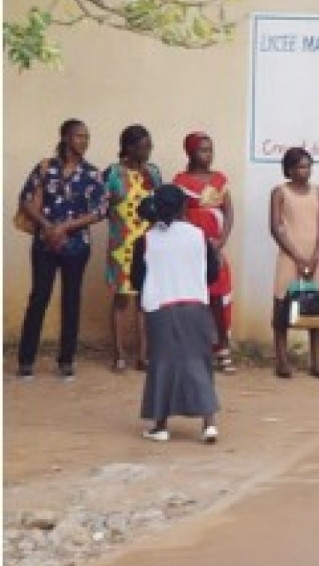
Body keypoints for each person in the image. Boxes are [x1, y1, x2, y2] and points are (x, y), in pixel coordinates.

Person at [15, 119, 108, 380]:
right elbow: (26, 200)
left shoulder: (92, 173)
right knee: (39, 297)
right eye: (79, 136)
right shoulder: (46, 167)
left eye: (86, 137)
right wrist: (47, 227)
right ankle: (26, 360)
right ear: (66, 138)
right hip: (44, 244)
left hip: (77, 246)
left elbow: (100, 211)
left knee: (71, 300)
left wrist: (65, 227)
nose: (84, 141)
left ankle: (66, 360)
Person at [132, 185, 222, 444]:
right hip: (195, 306)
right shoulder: (199, 236)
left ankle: (160, 426)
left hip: (161, 308)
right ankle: (209, 424)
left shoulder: (146, 240)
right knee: (199, 362)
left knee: (162, 364)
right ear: (183, 207)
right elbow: (212, 273)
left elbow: (137, 278)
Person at [174, 132, 236, 373]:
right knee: (193, 300)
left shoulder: (219, 180)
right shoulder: (180, 181)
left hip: (214, 247)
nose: (208, 155)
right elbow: (179, 215)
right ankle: (196, 349)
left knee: (218, 298)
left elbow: (228, 213)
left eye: (210, 150)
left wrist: (221, 241)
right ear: (190, 152)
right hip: (190, 248)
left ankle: (223, 348)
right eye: (202, 150)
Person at [104, 125, 163, 373]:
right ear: (128, 148)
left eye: (150, 146)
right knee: (122, 298)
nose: (148, 150)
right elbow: (101, 206)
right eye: (143, 146)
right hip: (122, 246)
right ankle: (119, 354)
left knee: (145, 299)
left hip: (148, 245)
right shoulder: (113, 174)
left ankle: (143, 356)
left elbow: (160, 204)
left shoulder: (153, 173)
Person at [269, 147, 319, 380]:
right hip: (289, 255)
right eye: (301, 166)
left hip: (314, 257)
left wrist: (315, 256)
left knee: (316, 306)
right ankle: (282, 361)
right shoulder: (279, 192)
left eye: (308, 166)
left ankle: (316, 362)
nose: (306, 171)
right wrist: (297, 257)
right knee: (282, 304)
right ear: (290, 169)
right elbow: (276, 228)